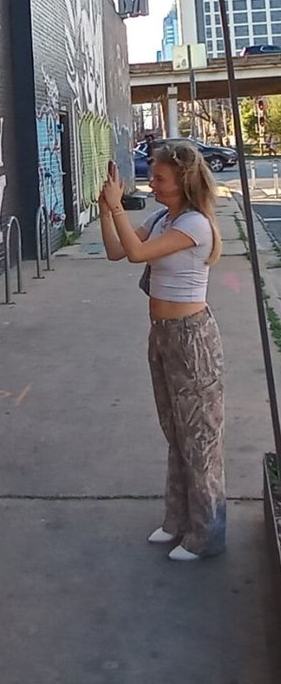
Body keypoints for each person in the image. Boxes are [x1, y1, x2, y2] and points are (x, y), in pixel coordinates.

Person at [98, 141, 225, 561]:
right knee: (176, 432)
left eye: (159, 178)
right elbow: (117, 250)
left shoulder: (194, 225)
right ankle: (178, 520)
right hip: (163, 334)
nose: (151, 182)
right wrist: (105, 209)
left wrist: (118, 207)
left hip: (191, 338)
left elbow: (136, 256)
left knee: (199, 438)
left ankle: (206, 534)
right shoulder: (162, 217)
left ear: (182, 182)